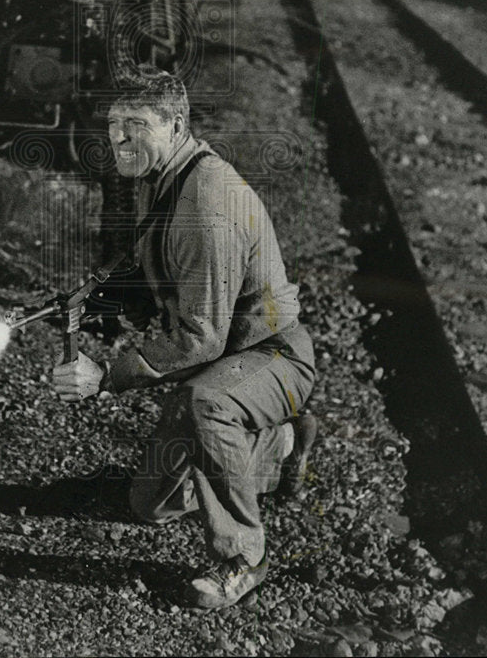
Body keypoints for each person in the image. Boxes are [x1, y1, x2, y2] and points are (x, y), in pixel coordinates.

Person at [53, 68, 316, 609]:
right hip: (229, 357)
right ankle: (278, 442)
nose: (119, 138)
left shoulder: (206, 205)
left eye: (135, 124)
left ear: (175, 125)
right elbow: (163, 264)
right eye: (113, 124)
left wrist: (106, 376)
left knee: (206, 401)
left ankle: (242, 560)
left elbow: (201, 338)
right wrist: (96, 296)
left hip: (272, 357)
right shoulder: (167, 174)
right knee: (150, 505)